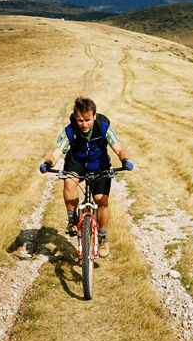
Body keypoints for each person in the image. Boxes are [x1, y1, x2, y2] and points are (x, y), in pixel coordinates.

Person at [40, 97, 134, 258]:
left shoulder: (104, 128)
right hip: (76, 163)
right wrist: (48, 163)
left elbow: (119, 148)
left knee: (101, 199)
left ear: (94, 116)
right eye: (80, 120)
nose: (84, 124)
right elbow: (57, 151)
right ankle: (72, 220)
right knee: (69, 181)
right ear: (75, 118)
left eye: (87, 120)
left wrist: (125, 160)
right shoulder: (69, 130)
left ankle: (103, 237)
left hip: (99, 165)